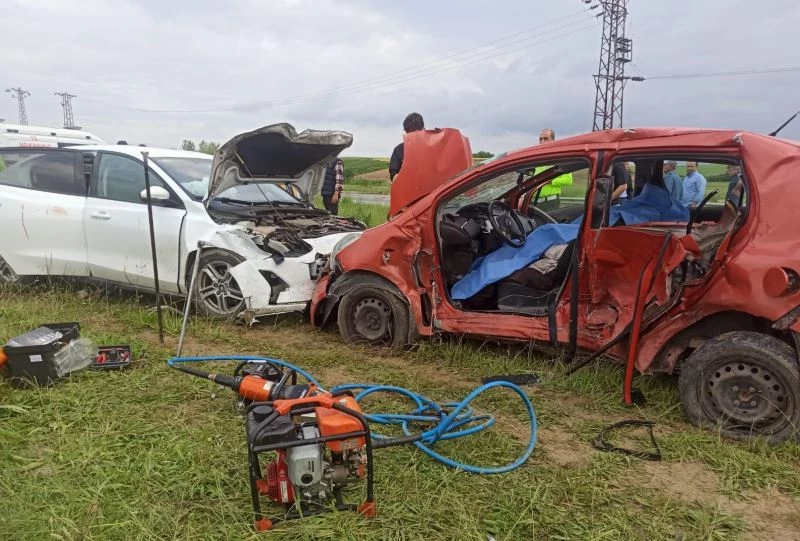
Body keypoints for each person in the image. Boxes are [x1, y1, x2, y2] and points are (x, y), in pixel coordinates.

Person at [533, 128, 573, 212]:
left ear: (553, 141)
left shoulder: (560, 158)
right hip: (535, 202)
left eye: (546, 139)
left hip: (550, 202)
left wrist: (550, 180)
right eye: (540, 139)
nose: (542, 141)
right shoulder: (538, 158)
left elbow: (568, 180)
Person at [389, 112, 425, 181]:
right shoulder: (399, 150)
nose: (413, 137)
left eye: (415, 132)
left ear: (423, 129)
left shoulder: (435, 147)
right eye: (409, 133)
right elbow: (393, 174)